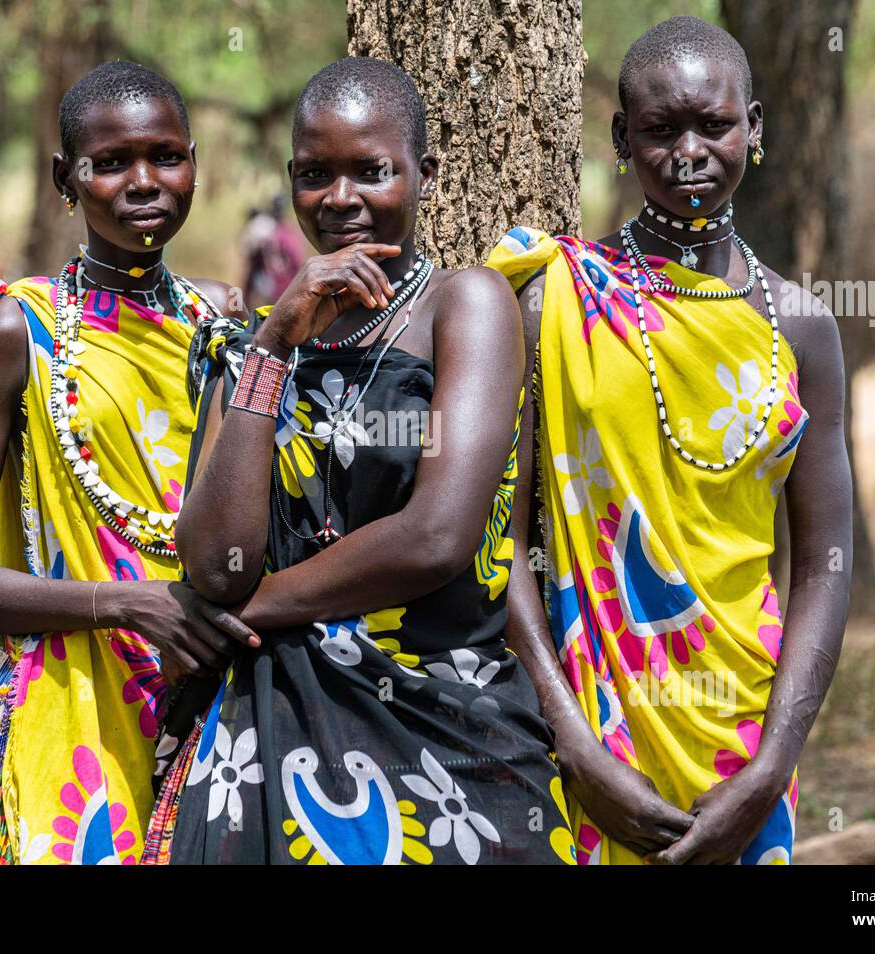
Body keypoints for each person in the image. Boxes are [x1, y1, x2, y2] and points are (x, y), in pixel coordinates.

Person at [141, 57, 574, 866]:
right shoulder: (251, 345)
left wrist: (254, 612)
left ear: (424, 174)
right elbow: (216, 566)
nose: (340, 199)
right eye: (314, 175)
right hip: (272, 723)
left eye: (370, 171)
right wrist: (272, 346)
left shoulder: (465, 306)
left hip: (446, 722)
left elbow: (436, 537)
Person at [486, 16, 852, 864]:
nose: (689, 152)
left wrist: (772, 764)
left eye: (714, 125)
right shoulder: (553, 299)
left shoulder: (800, 328)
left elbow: (825, 564)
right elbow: (495, 542)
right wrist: (572, 740)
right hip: (583, 726)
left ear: (753, 128)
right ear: (621, 138)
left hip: (744, 727)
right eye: (660, 129)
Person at [0, 60, 253, 865]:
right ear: (67, 178)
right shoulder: (16, 331)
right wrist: (125, 604)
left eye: (167, 156)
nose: (144, 182)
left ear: (195, 163)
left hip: (204, 700)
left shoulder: (227, 320)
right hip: (66, 707)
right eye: (111, 164)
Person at [240, 195, 306, 308]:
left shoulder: (285, 231)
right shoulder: (266, 226)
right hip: (265, 277)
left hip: (281, 279)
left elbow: (295, 257)